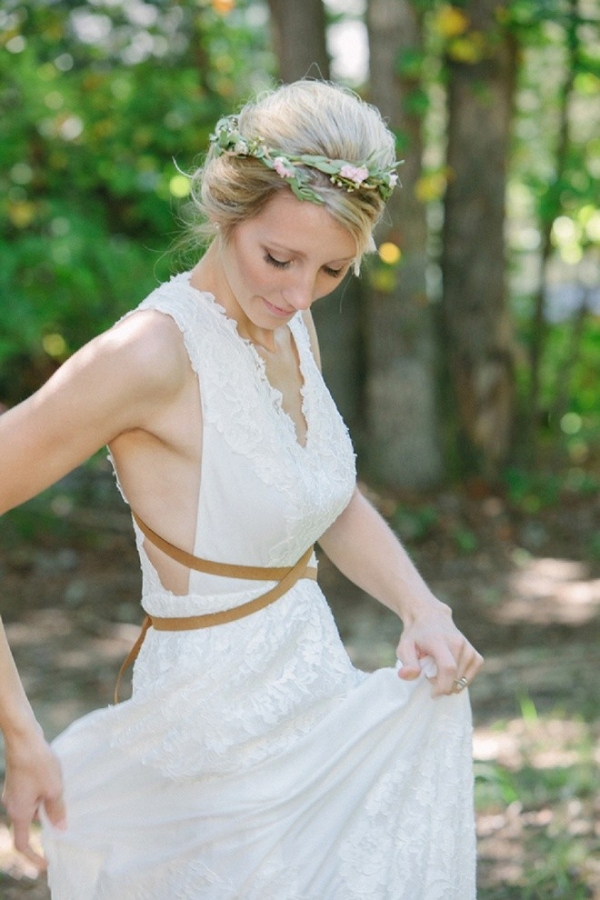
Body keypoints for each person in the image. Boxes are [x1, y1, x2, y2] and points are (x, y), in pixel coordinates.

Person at [0, 79, 483, 898]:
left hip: (312, 690)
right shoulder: (147, 356)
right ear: (228, 210)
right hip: (212, 741)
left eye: (332, 269)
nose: (298, 292)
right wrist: (20, 739)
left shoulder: (287, 317)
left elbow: (325, 498)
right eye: (279, 257)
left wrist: (420, 605)